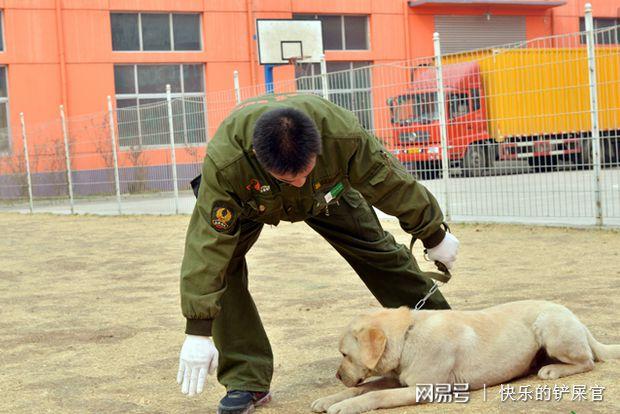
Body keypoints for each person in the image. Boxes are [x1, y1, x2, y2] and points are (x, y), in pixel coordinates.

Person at [176, 93, 459, 414]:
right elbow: (207, 247)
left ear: (318, 147)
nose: (298, 182)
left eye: (305, 171)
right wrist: (198, 330)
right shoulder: (228, 162)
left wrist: (434, 234)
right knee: (223, 268)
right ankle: (246, 377)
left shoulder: (342, 135)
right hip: (252, 203)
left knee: (379, 252)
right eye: (288, 177)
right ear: (258, 156)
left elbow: (391, 184)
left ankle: (447, 335)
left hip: (328, 194)